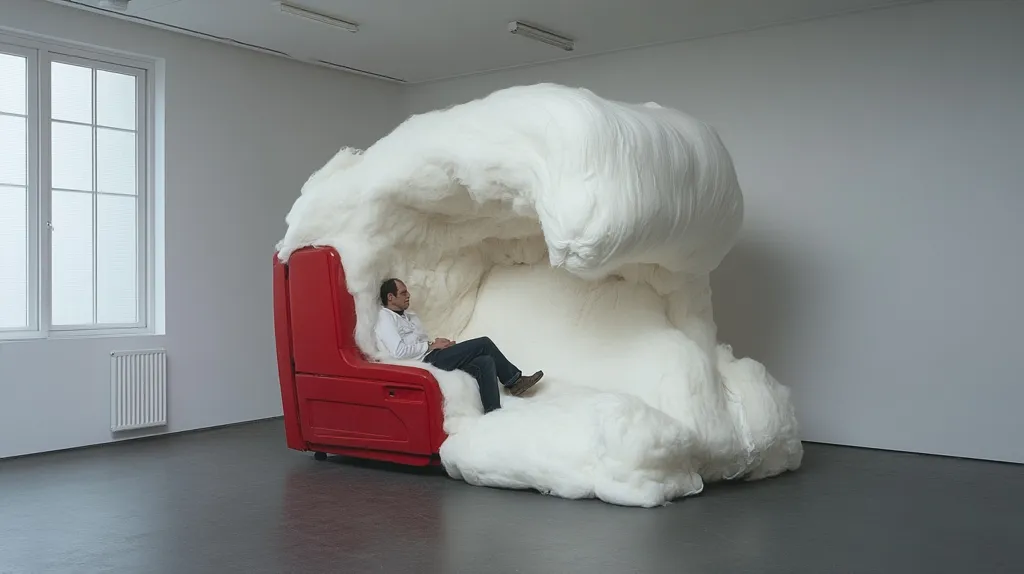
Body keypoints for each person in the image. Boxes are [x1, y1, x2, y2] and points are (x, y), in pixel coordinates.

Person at [374, 278, 543, 413]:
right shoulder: (386, 318)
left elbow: (420, 342)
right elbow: (398, 351)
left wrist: (439, 344)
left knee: (485, 362)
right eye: (403, 293)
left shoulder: (409, 316)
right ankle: (514, 381)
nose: (408, 295)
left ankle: (493, 413)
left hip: (433, 354)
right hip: (425, 363)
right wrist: (431, 346)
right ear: (391, 297)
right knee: (484, 343)